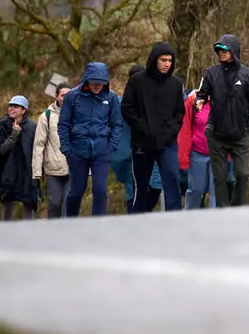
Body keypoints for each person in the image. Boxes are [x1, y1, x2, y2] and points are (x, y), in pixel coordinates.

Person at [195, 35, 249, 207]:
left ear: (234, 50)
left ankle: (237, 209)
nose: (221, 53)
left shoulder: (248, 75)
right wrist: (199, 101)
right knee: (220, 177)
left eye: (225, 50)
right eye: (218, 50)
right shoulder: (210, 73)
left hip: (240, 135)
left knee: (242, 174)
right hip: (216, 134)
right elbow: (201, 94)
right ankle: (223, 211)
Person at [122, 43, 186, 212]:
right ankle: (139, 218)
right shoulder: (137, 81)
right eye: (163, 60)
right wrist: (143, 129)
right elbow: (127, 108)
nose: (167, 64)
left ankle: (174, 218)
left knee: (172, 180)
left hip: (167, 144)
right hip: (142, 144)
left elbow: (179, 113)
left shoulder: (175, 84)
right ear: (154, 60)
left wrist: (170, 133)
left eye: (170, 61)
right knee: (141, 186)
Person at [59, 61, 124, 217]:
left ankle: (98, 224)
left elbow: (117, 124)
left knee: (100, 190)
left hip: (102, 151)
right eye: (94, 82)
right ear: (87, 80)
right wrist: (67, 149)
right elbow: (63, 124)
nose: (97, 86)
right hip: (77, 151)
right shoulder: (72, 96)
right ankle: (70, 221)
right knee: (76, 191)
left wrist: (111, 146)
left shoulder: (111, 97)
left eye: (101, 83)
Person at [0, 95, 40, 220]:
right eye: (10, 106)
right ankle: (6, 230)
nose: (12, 109)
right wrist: (14, 135)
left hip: (27, 170)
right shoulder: (2, 125)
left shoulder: (32, 127)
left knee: (29, 201)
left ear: (23, 110)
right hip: (7, 171)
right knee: (8, 201)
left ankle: (28, 230)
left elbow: (38, 149)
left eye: (16, 106)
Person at [33, 84, 72, 217]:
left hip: (73, 168)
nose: (66, 98)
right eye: (63, 95)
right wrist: (37, 172)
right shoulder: (47, 116)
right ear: (56, 97)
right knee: (55, 202)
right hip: (52, 169)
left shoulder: (79, 114)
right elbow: (39, 145)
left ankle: (68, 229)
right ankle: (53, 228)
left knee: (69, 203)